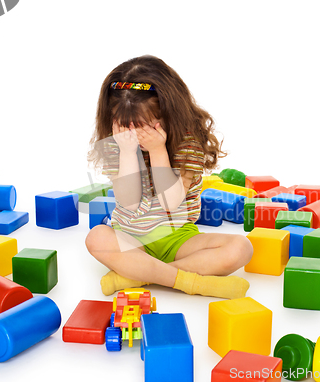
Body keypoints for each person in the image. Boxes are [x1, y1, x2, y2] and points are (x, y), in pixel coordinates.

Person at [86, 55, 253, 299]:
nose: (135, 134)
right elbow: (130, 203)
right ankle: (189, 282)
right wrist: (127, 152)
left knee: (240, 248)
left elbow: (170, 203)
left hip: (177, 238)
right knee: (96, 237)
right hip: (131, 238)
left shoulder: (188, 144)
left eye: (145, 126)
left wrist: (157, 150)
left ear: (168, 114)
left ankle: (137, 275)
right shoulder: (118, 142)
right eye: (126, 126)